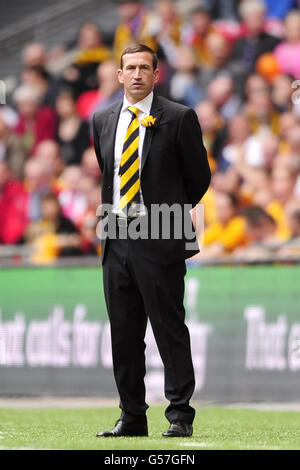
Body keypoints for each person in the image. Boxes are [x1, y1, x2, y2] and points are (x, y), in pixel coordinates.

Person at [92, 44, 210, 438]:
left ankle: (179, 415)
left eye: (145, 67)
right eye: (131, 67)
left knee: (168, 327)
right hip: (116, 236)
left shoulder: (179, 117)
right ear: (119, 74)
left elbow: (199, 178)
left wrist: (165, 216)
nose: (138, 73)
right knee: (123, 333)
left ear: (157, 75)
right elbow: (107, 172)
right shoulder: (103, 119)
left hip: (160, 233)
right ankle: (132, 416)